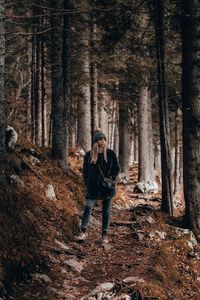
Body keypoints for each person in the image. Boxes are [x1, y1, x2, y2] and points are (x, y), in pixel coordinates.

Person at [76, 129, 120, 244]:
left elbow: (117, 168)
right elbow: (85, 172)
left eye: (104, 139)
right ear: (96, 141)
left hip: (107, 188)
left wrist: (111, 178)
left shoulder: (110, 153)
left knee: (106, 211)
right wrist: (87, 183)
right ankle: (83, 231)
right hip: (93, 187)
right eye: (100, 139)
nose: (103, 141)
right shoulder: (89, 155)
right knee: (88, 207)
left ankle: (104, 235)